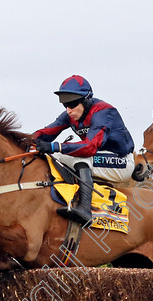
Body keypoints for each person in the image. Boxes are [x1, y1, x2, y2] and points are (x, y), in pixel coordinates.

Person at [33, 75, 135, 225]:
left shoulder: (104, 112)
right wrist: (26, 140)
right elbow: (47, 132)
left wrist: (57, 146)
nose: (68, 110)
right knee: (55, 155)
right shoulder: (70, 114)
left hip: (121, 162)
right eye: (65, 106)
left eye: (72, 105)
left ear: (86, 100)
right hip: (98, 159)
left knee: (75, 156)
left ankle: (85, 209)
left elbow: (91, 146)